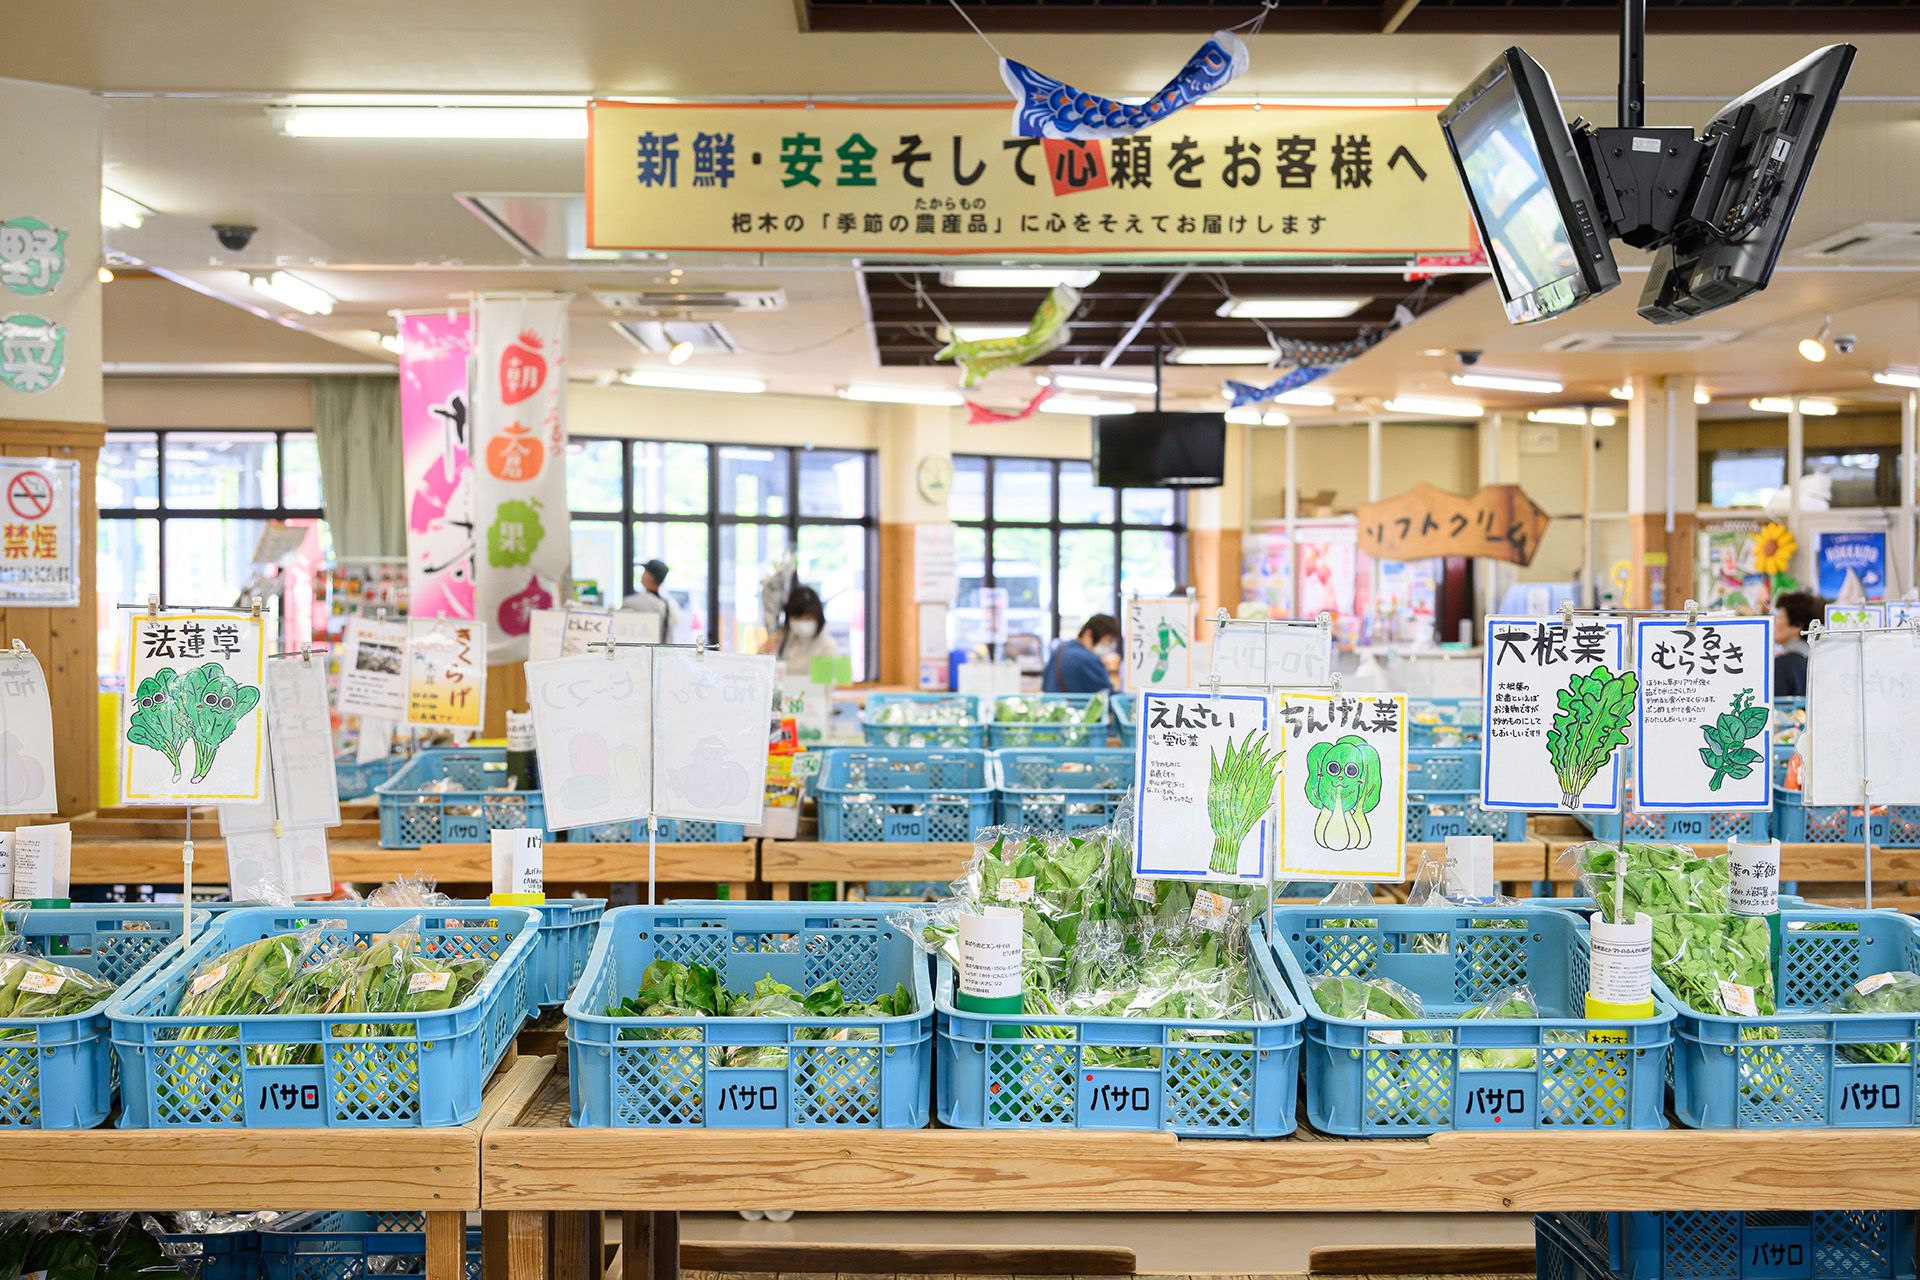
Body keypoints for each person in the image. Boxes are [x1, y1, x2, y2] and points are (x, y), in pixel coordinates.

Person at [761, 584, 840, 677]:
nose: (802, 623)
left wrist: (777, 664)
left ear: (818, 618)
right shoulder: (782, 637)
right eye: (797, 618)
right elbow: (758, 666)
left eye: (808, 618)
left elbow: (824, 684)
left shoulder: (828, 646)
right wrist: (766, 653)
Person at [1042, 614, 1120, 693]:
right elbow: (1107, 694)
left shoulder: (1060, 648)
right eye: (1107, 641)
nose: (1107, 647)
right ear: (1088, 634)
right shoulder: (1089, 659)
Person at [1773, 589, 1822, 698]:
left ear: (1796, 626)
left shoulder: (1782, 665)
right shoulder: (1819, 659)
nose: (1774, 623)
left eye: (1779, 617)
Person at [622, 558, 681, 642]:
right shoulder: (671, 605)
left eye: (644, 572)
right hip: (664, 650)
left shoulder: (632, 603)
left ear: (648, 576)